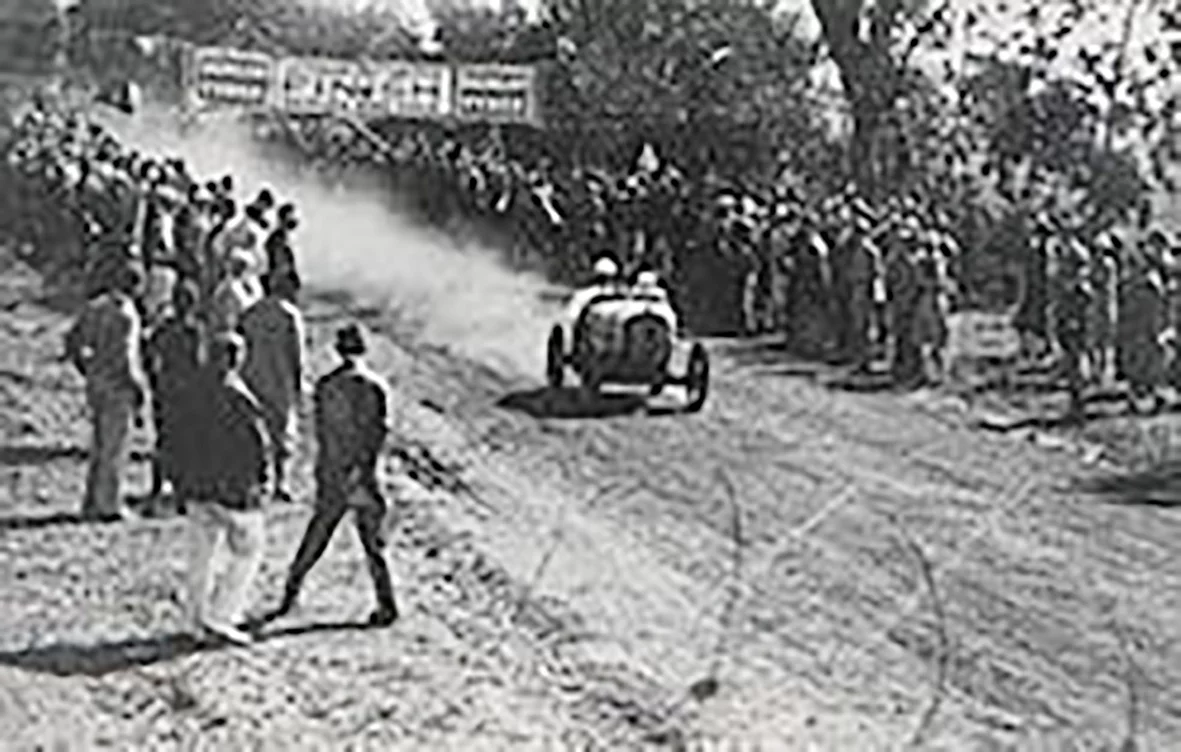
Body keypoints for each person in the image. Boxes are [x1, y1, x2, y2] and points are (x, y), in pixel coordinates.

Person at [271, 323, 398, 627]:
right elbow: (380, 433)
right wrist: (364, 470)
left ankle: (290, 592)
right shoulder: (376, 387)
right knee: (373, 546)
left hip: (333, 472)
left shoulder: (326, 387)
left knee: (317, 536)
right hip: (365, 474)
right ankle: (387, 604)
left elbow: (323, 435)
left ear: (338, 350)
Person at [174, 332, 270, 646]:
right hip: (233, 490)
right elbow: (257, 447)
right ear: (236, 359)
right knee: (247, 552)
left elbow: (174, 439)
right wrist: (263, 482)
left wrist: (178, 482)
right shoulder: (239, 396)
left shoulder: (190, 390)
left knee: (200, 558)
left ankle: (193, 620)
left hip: (198, 486)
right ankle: (222, 617)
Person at [64, 264, 149, 522]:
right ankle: (109, 504)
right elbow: (126, 357)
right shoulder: (126, 314)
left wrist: (84, 367)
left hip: (96, 381)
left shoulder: (95, 306)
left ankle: (91, 501)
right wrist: (139, 389)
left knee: (99, 445)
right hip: (118, 384)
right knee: (115, 447)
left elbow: (72, 339)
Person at [239, 269, 305, 503]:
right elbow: (296, 355)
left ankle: (258, 481)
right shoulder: (289, 316)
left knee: (257, 433)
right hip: (280, 379)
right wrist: (298, 388)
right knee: (282, 436)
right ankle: (281, 483)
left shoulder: (250, 313)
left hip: (253, 378)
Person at [144, 279, 204, 508]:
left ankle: (157, 486)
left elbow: (149, 353)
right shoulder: (193, 331)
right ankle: (182, 490)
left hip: (165, 388)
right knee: (186, 442)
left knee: (163, 440)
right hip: (187, 390)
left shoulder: (164, 329)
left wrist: (154, 378)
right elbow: (199, 362)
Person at [209, 249, 263, 334]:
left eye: (238, 263)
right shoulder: (228, 284)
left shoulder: (252, 277)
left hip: (254, 309)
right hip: (242, 313)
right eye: (233, 263)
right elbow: (216, 298)